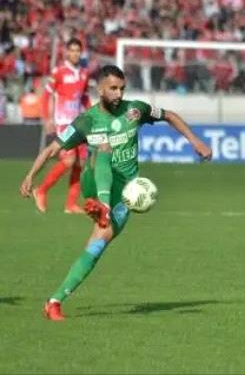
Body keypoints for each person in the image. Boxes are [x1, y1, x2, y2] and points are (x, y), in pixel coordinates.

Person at [19, 65, 212, 321]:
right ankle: (102, 205)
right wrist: (31, 175)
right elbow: (53, 149)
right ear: (99, 89)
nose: (119, 94)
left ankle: (54, 301)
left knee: (96, 247)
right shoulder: (87, 121)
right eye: (113, 88)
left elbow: (169, 115)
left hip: (124, 196)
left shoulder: (135, 110)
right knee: (104, 146)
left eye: (122, 88)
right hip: (93, 183)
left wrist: (195, 141)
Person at [33, 38, 92, 214]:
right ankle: (41, 190)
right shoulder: (59, 71)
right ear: (66, 52)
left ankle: (70, 205)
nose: (74, 53)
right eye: (71, 50)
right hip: (64, 122)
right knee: (68, 160)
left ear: (81, 53)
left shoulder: (84, 73)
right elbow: (46, 96)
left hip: (79, 122)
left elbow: (84, 97)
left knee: (81, 163)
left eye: (77, 50)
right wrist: (47, 118)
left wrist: (92, 116)